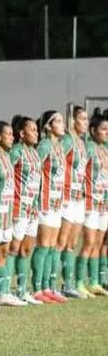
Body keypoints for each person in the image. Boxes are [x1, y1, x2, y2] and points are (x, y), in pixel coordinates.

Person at [0, 121, 25, 307]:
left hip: (6, 213)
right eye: (8, 134)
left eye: (12, 134)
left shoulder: (8, 157)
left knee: (4, 252)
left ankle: (3, 293)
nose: (12, 137)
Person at [32, 110, 68, 304]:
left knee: (53, 247)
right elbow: (35, 171)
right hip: (45, 203)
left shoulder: (60, 147)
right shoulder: (44, 145)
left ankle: (47, 286)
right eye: (59, 122)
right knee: (44, 245)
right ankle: (37, 288)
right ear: (48, 126)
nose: (63, 125)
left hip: (56, 202)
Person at [9, 115, 43, 304]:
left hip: (32, 208)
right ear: (22, 133)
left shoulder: (35, 153)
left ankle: (22, 290)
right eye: (33, 130)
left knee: (27, 249)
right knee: (13, 248)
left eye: (37, 130)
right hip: (18, 206)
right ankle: (4, 290)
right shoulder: (16, 152)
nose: (36, 133)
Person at [56, 106, 89, 298]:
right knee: (61, 242)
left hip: (78, 197)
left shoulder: (81, 143)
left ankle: (68, 284)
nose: (85, 122)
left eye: (86, 119)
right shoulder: (67, 141)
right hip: (67, 197)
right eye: (82, 119)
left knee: (72, 243)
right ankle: (52, 284)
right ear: (73, 121)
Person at [76, 109, 108, 297]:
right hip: (89, 202)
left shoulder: (105, 150)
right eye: (103, 129)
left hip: (103, 203)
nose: (107, 132)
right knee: (88, 243)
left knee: (97, 243)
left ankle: (95, 281)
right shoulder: (87, 148)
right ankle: (79, 283)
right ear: (93, 130)